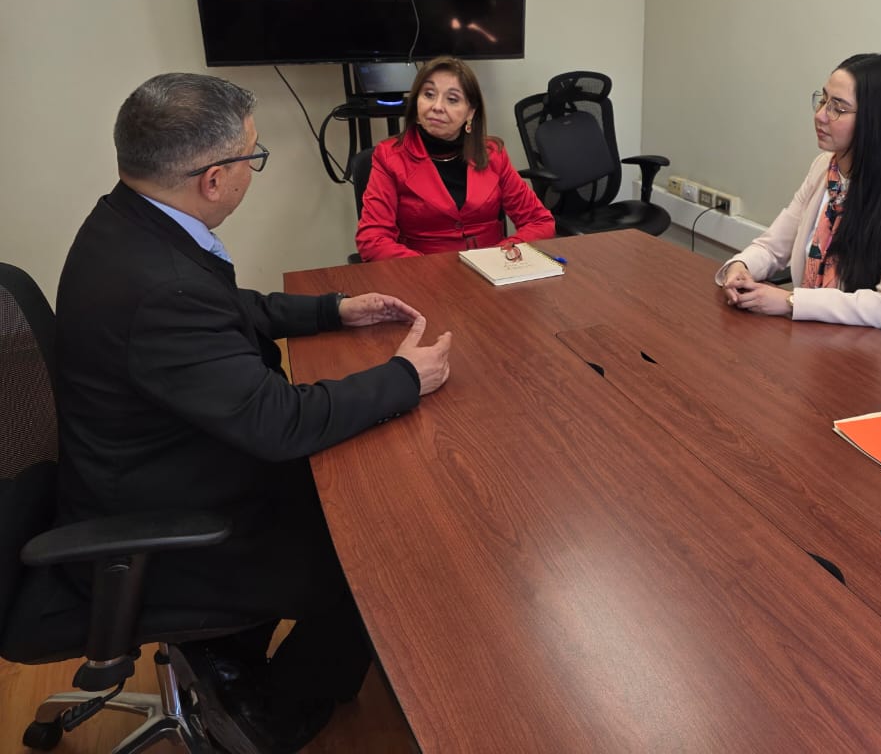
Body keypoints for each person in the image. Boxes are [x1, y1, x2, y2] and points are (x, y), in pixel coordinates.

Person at [54, 73, 453, 753]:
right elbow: (279, 423)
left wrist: (331, 309)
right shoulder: (162, 285)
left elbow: (228, 312)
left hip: (142, 460)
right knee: (382, 552)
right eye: (253, 157)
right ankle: (271, 714)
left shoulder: (132, 223)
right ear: (214, 179)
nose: (254, 170)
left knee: (362, 489)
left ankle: (228, 653)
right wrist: (404, 377)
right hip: (170, 507)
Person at [715, 53, 881, 347]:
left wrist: (790, 301)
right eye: (823, 100)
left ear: (876, 122)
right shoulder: (824, 168)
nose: (821, 115)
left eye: (838, 108)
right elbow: (774, 245)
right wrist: (741, 268)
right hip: (829, 340)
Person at [356, 56, 555, 260]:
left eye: (452, 99)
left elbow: (539, 221)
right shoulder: (389, 157)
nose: (437, 106)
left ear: (470, 112)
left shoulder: (492, 153)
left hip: (491, 274)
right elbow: (372, 240)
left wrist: (501, 255)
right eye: (429, 94)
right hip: (423, 276)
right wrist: (431, 269)